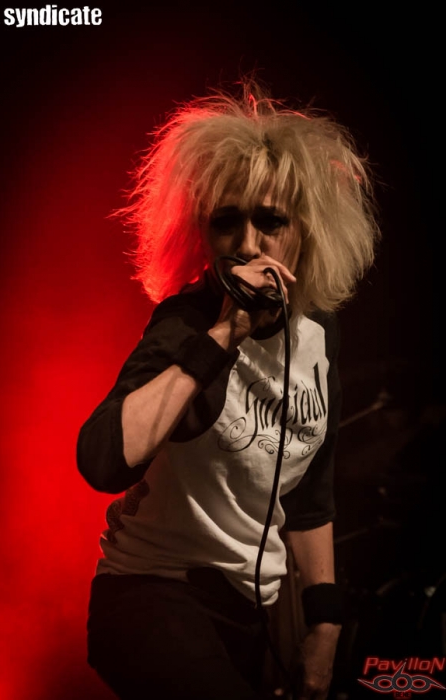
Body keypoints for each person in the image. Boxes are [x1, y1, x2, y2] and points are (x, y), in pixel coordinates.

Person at [77, 79, 379, 700]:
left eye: (270, 221)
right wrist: (222, 336)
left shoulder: (318, 333)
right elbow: (102, 459)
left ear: (305, 230)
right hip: (152, 596)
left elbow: (311, 494)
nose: (247, 245)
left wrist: (324, 623)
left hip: (249, 614)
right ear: (203, 235)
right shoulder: (187, 325)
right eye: (226, 224)